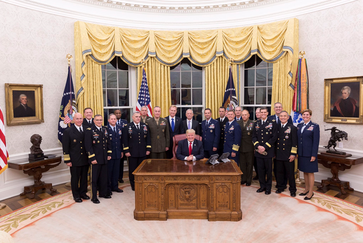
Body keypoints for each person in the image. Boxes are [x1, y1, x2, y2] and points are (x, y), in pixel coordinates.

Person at [62, 113, 89, 203]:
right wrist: (67, 160)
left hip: (85, 158)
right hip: (74, 159)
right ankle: (76, 195)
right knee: (75, 178)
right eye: (77, 118)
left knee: (84, 177)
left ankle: (83, 193)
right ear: (73, 120)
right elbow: (65, 147)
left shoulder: (86, 129)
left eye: (81, 118)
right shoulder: (68, 131)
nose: (79, 120)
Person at [85, 114, 112, 204]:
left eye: (101, 120)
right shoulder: (90, 131)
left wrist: (109, 153)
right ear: (94, 121)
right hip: (95, 159)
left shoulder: (105, 129)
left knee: (103, 177)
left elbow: (108, 143)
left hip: (104, 158)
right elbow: (88, 146)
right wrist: (92, 158)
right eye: (97, 120)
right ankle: (94, 196)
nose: (99, 121)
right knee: (94, 179)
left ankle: (103, 193)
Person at [252, 107, 278, 195]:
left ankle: (268, 188)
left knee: (268, 170)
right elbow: (253, 136)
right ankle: (262, 186)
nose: (263, 113)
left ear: (267, 113)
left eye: (264, 112)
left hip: (268, 151)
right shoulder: (256, 123)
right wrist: (258, 146)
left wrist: (265, 147)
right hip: (259, 151)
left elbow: (274, 137)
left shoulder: (272, 123)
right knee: (260, 170)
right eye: (261, 112)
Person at [123, 112, 151, 191]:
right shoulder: (127, 127)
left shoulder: (144, 126)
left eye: (139, 117)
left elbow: (148, 138)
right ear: (132, 117)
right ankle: (134, 185)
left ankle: (141, 184)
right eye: (136, 117)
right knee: (133, 170)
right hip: (132, 152)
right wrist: (126, 151)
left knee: (142, 169)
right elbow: (125, 140)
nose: (138, 118)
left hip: (142, 152)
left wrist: (148, 149)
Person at [297, 109, 320, 200]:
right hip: (301, 153)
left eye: (307, 114)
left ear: (310, 116)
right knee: (304, 171)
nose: (305, 116)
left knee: (310, 172)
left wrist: (313, 154)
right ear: (302, 116)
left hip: (310, 153)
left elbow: (316, 142)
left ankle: (311, 192)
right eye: (304, 114)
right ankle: (306, 189)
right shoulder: (299, 126)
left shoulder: (315, 126)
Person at [275, 111, 297, 197]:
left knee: (290, 173)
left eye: (284, 116)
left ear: (288, 117)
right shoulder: (276, 127)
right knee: (279, 172)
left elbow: (294, 143)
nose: (283, 117)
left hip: (288, 155)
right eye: (281, 116)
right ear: (279, 117)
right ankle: (281, 187)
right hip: (278, 154)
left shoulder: (292, 128)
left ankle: (292, 189)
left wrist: (293, 154)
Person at [236, 110, 254, 186]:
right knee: (242, 164)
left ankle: (249, 180)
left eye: (245, 115)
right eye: (242, 115)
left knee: (250, 164)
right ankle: (243, 179)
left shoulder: (252, 123)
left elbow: (254, 136)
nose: (244, 116)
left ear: (249, 115)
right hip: (241, 146)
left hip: (249, 146)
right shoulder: (238, 123)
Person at [107, 113, 124, 194]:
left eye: (114, 119)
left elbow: (121, 141)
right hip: (110, 154)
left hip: (118, 153)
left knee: (116, 171)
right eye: (112, 119)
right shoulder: (106, 129)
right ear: (108, 120)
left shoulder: (119, 128)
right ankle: (109, 188)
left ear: (116, 120)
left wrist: (121, 151)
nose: (113, 120)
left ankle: (115, 186)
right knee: (109, 172)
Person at [114, 109, 128, 183]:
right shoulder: (112, 121)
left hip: (122, 144)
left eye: (119, 113)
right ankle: (115, 178)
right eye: (117, 113)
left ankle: (120, 177)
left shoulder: (125, 122)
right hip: (115, 144)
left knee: (121, 163)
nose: (118, 114)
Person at [253, 107, 261, 180]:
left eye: (259, 112)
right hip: (256, 146)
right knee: (256, 162)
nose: (257, 114)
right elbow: (253, 136)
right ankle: (258, 175)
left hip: (265, 147)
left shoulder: (268, 123)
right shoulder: (255, 123)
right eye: (256, 113)